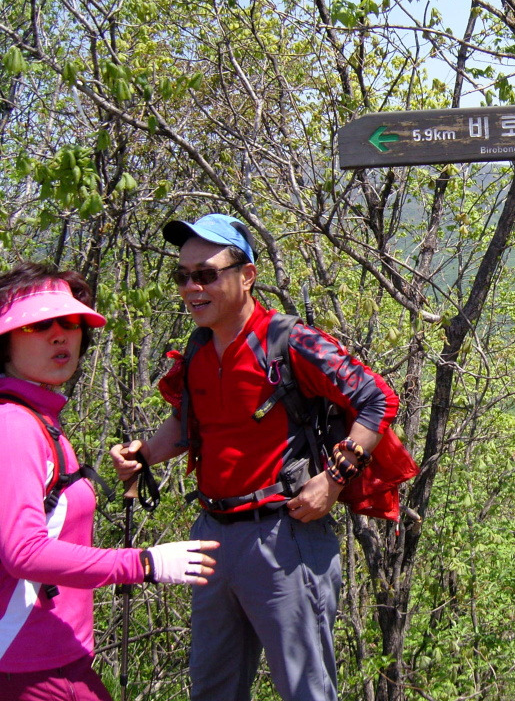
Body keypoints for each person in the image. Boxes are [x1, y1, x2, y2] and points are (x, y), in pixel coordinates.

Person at [109, 213, 400, 701]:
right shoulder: (199, 348)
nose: (190, 287)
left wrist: (334, 478)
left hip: (284, 536)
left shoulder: (292, 343)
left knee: (305, 690)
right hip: (211, 537)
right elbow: (189, 423)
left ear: (246, 276)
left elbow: (378, 398)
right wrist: (145, 454)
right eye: (182, 276)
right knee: (212, 690)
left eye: (205, 274)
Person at [0, 261, 218, 701]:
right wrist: (144, 564)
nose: (61, 334)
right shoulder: (15, 426)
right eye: (38, 325)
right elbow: (22, 551)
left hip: (51, 658)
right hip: (26, 663)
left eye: (70, 321)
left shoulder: (39, 418)